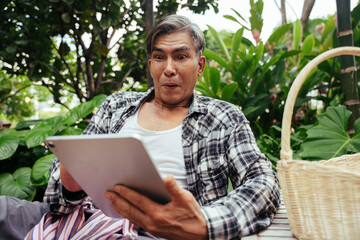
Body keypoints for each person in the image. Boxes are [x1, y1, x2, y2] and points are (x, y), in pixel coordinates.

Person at [0, 14, 280, 240]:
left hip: (154, 232)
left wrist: (205, 223)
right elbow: (59, 193)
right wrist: (70, 181)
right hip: (79, 218)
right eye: (159, 57)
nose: (168, 68)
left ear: (200, 65)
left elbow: (263, 182)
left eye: (181, 57)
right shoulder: (116, 106)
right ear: (150, 65)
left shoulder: (223, 117)